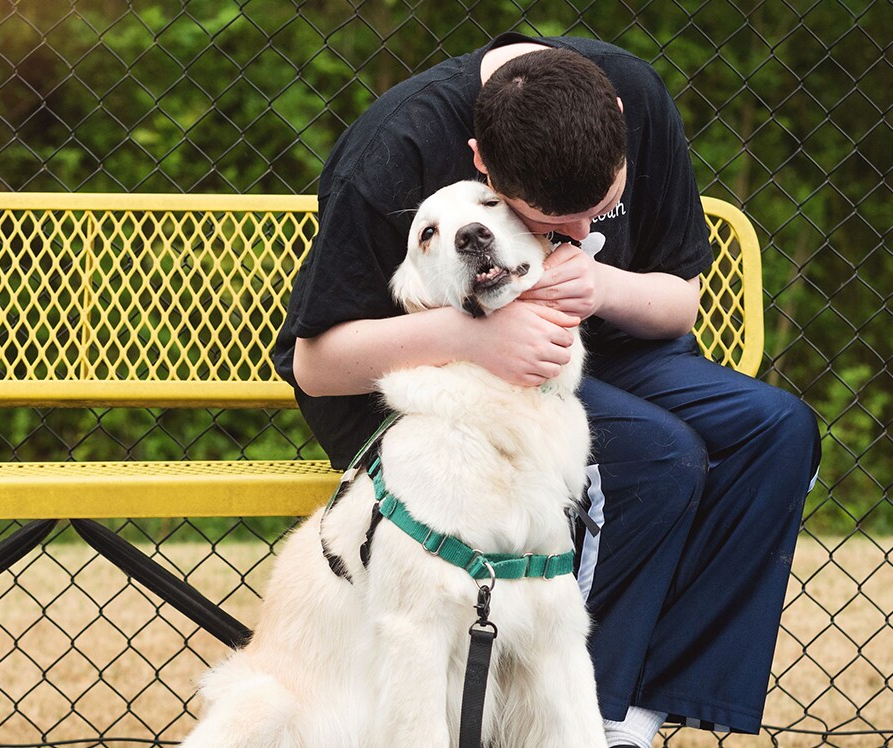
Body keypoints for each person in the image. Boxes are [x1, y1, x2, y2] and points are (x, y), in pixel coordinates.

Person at [272, 32, 821, 748]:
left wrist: (603, 285)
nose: (583, 231)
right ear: (481, 164)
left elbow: (678, 302)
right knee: (657, 456)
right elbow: (317, 364)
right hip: (434, 386)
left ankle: (626, 714)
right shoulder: (394, 149)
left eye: (601, 206)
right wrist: (471, 340)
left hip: (599, 352)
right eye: (550, 220)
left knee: (776, 429)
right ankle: (569, 710)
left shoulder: (636, 98)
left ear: (619, 118)